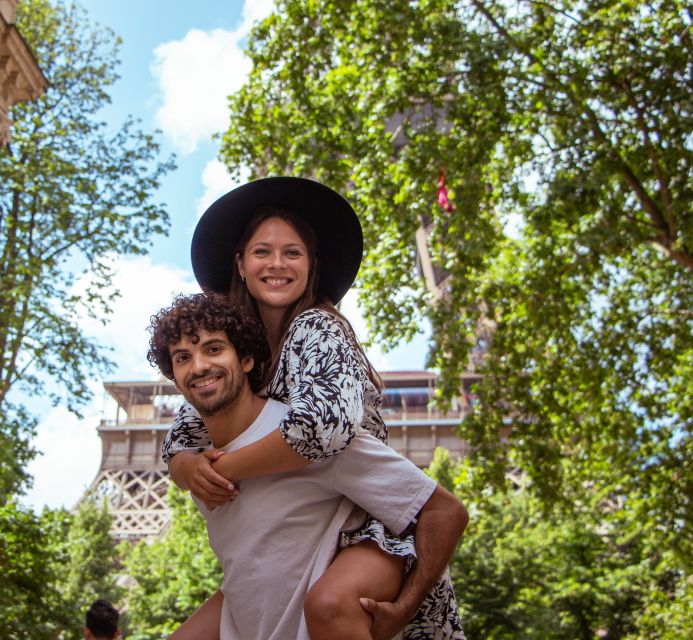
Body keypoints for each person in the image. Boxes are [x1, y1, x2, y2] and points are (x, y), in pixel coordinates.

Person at [163, 176, 467, 639]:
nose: (277, 263)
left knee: (329, 604)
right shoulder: (239, 351)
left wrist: (223, 468)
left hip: (360, 519)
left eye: (293, 252)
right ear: (240, 265)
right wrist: (186, 465)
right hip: (298, 522)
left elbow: (322, 429)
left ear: (311, 266)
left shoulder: (315, 326)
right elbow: (184, 434)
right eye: (262, 252)